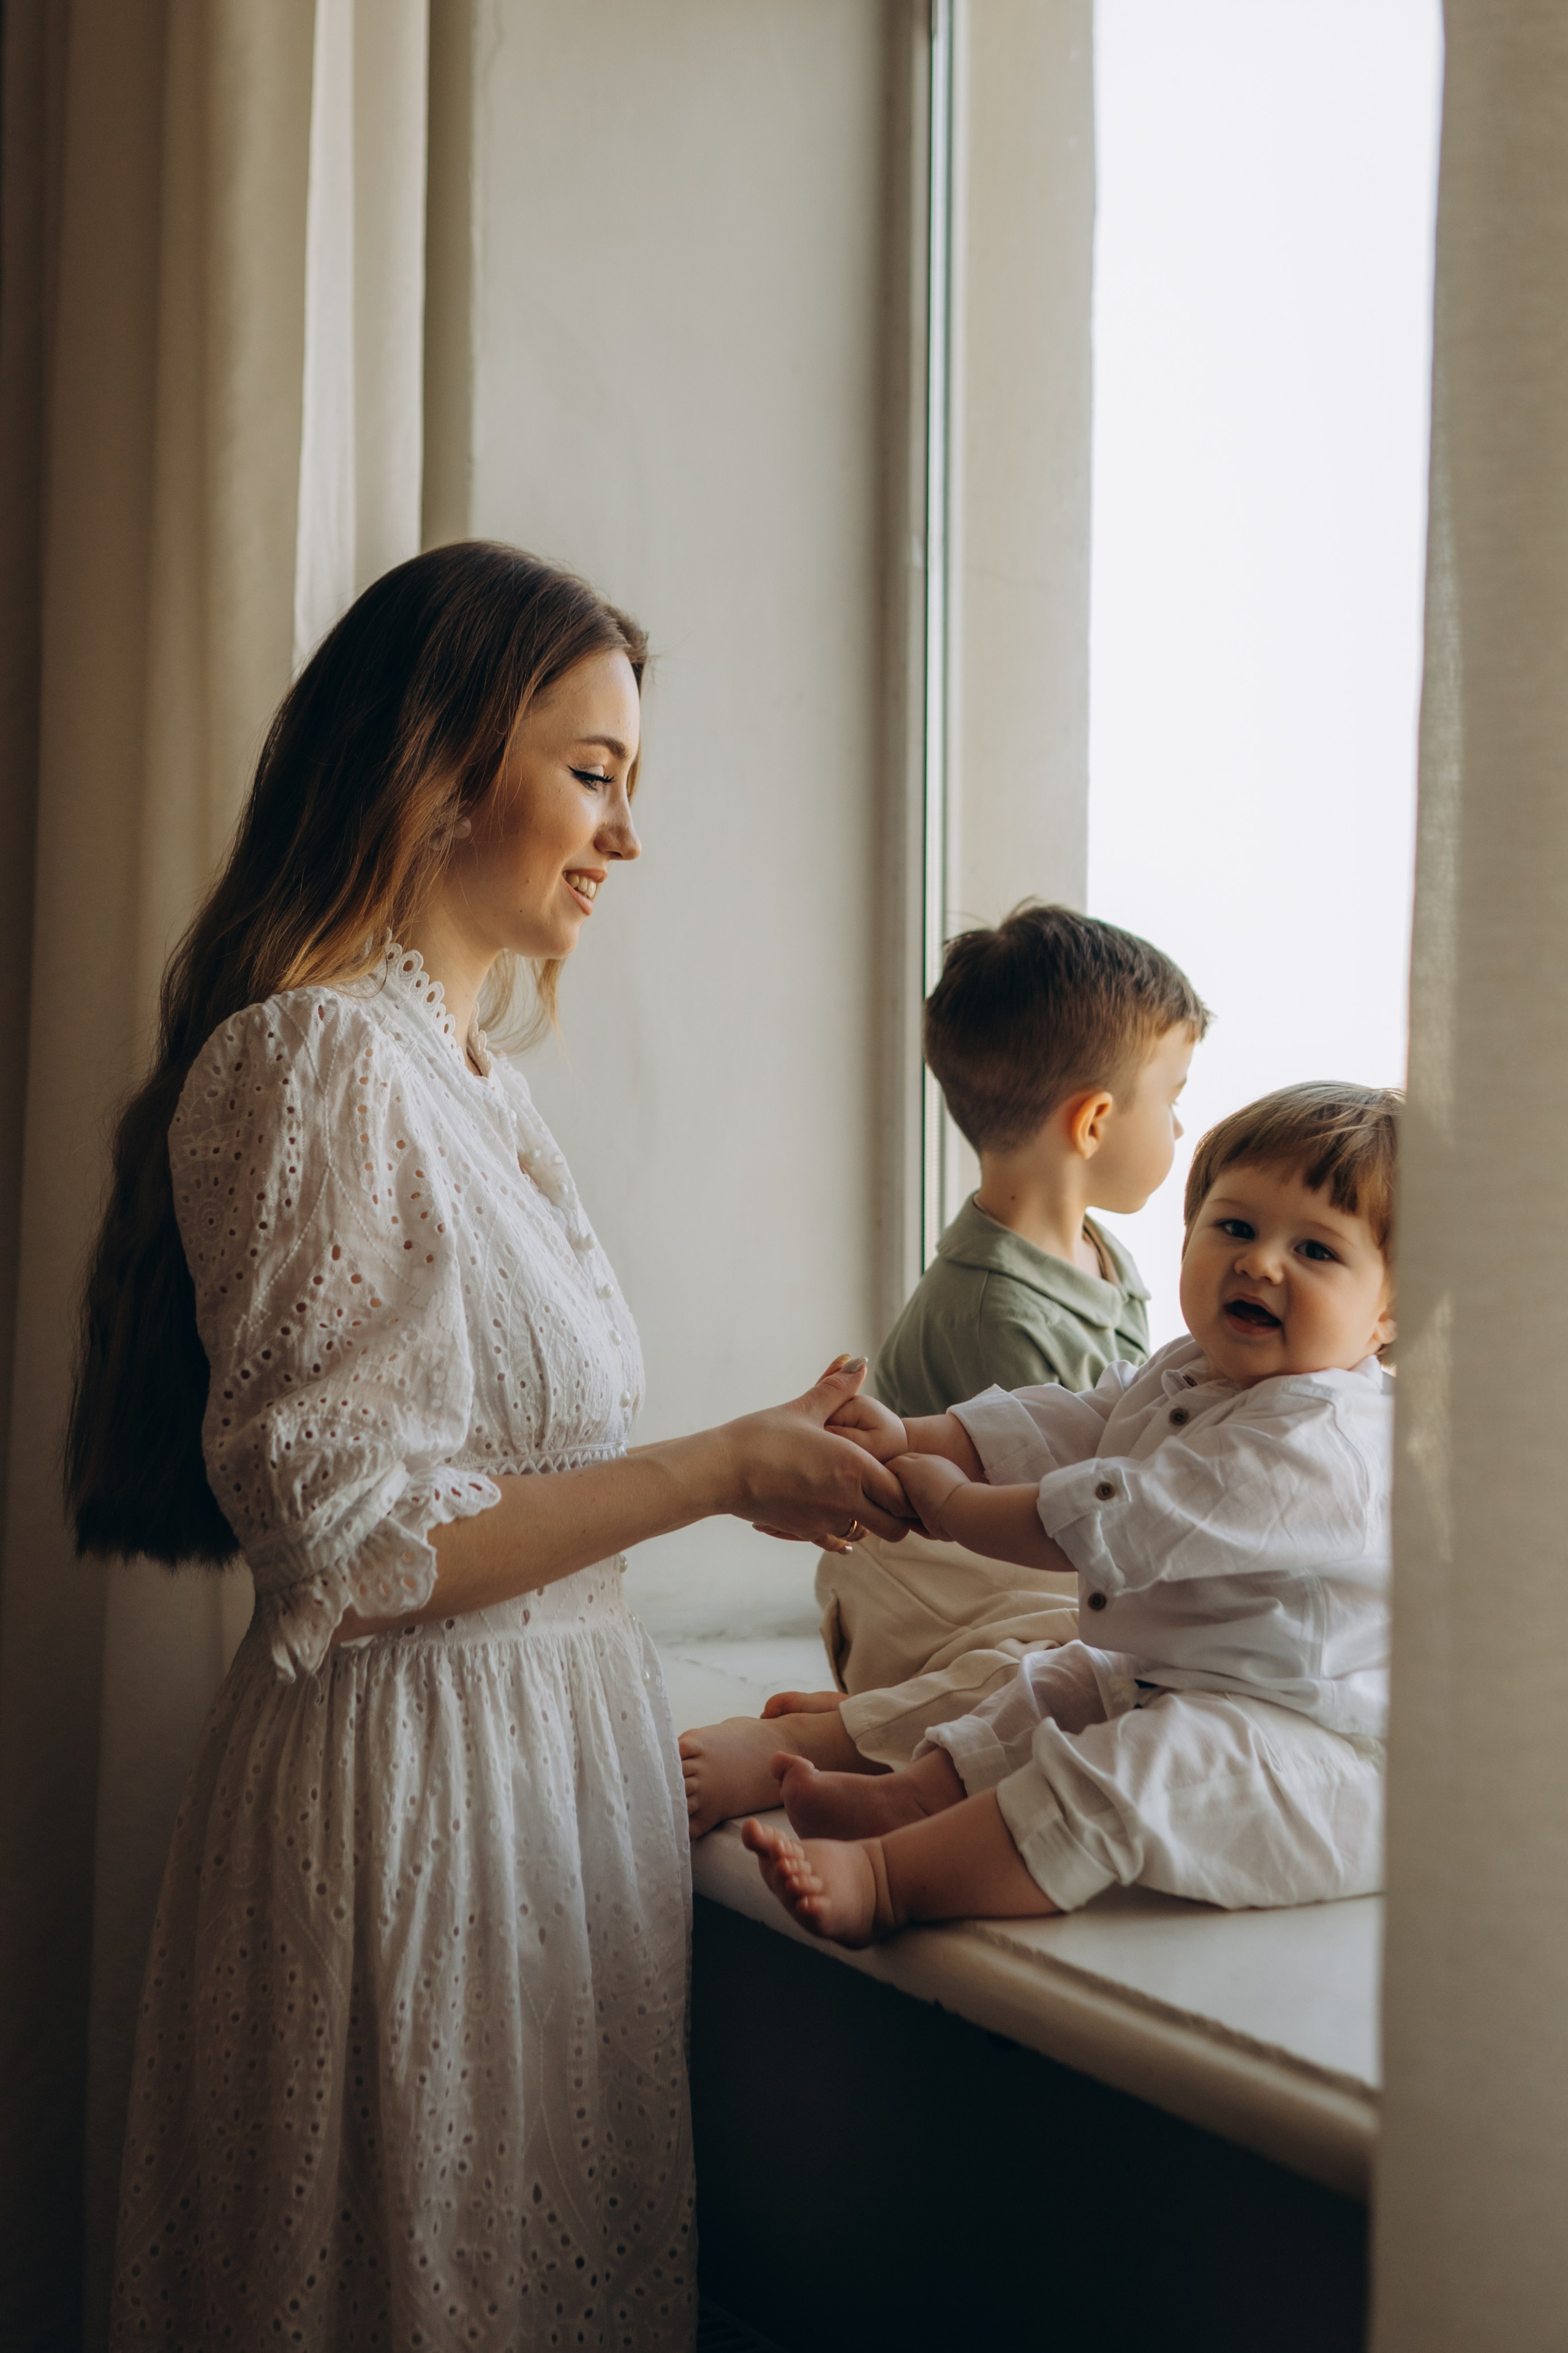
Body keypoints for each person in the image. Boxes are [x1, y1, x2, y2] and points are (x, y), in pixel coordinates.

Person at [69, 543, 909, 2349]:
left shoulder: (476, 1087)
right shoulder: (312, 1068)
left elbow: (503, 1488)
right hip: (412, 1819)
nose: (625, 838)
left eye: (631, 784)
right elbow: (359, 1552)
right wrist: (719, 1469)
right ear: (434, 761)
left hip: (542, 1804)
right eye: (591, 773)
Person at [742, 1083, 1398, 1946]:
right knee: (1050, 1684)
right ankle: (907, 1801)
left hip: (1323, 1751)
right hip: (1189, 1683)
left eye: (1315, 1248)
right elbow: (1078, 1420)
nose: (1260, 1262)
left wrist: (955, 1505)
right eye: (1235, 1226)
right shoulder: (1190, 1369)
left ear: (1390, 1313)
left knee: (1130, 1771)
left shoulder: (1329, 1436)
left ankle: (892, 1879)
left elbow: (1130, 1516)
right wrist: (917, 1434)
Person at [679, 911, 1206, 1829]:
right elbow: (1071, 1524)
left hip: (998, 1582)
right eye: (1174, 1096)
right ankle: (834, 1740)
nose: (1182, 1124)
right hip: (933, 1597)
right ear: (1094, 1121)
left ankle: (859, 1723)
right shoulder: (1000, 1309)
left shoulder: (1100, 1259)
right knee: (1101, 1666)